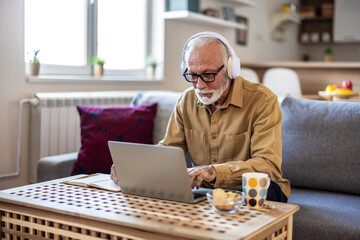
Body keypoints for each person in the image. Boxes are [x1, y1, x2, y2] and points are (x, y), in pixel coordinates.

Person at [111, 31, 290, 202]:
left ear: (230, 68)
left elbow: (267, 166)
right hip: (209, 191)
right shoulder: (186, 101)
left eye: (208, 74)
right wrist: (135, 167)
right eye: (192, 75)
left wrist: (214, 171)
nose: (200, 85)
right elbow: (169, 150)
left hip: (256, 188)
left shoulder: (263, 101)